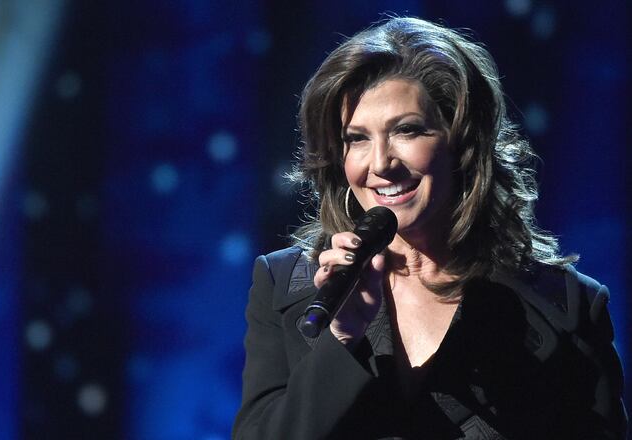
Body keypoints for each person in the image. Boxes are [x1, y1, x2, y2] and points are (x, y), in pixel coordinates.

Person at [232, 17, 627, 439]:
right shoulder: (286, 286)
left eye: (407, 130)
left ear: (463, 144)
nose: (381, 164)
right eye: (357, 138)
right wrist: (341, 339)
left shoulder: (566, 306)